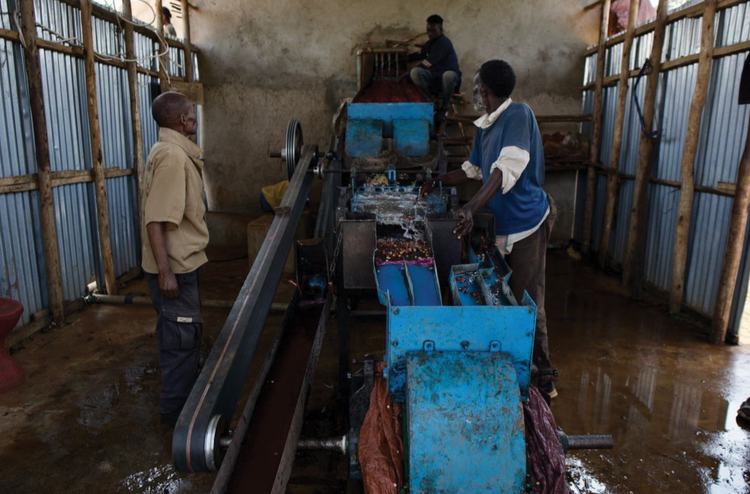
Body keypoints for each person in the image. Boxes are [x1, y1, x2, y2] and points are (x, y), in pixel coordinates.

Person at [420, 60, 558, 397]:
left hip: (527, 223)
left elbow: (505, 169)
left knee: (527, 300)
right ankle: (508, 368)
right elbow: (474, 170)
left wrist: (470, 207)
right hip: (502, 226)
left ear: (487, 89)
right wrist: (436, 180)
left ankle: (543, 377)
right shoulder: (485, 127)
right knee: (501, 293)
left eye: (478, 85)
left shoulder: (517, 115)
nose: (475, 92)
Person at [142, 91, 208, 425]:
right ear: (183, 120)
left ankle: (187, 413)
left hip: (184, 265)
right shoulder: (172, 157)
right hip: (175, 272)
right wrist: (165, 272)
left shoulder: (174, 152)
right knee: (179, 345)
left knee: (187, 338)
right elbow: (155, 219)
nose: (194, 118)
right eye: (191, 114)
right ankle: (177, 425)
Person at [407, 14, 461, 123]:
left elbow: (429, 61)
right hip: (436, 78)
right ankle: (431, 103)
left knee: (448, 75)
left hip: (450, 79)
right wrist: (404, 58)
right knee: (415, 73)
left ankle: (445, 107)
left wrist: (405, 74)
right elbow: (420, 54)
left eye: (433, 31)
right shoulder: (430, 43)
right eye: (428, 31)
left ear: (440, 29)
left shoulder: (444, 42)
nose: (430, 34)